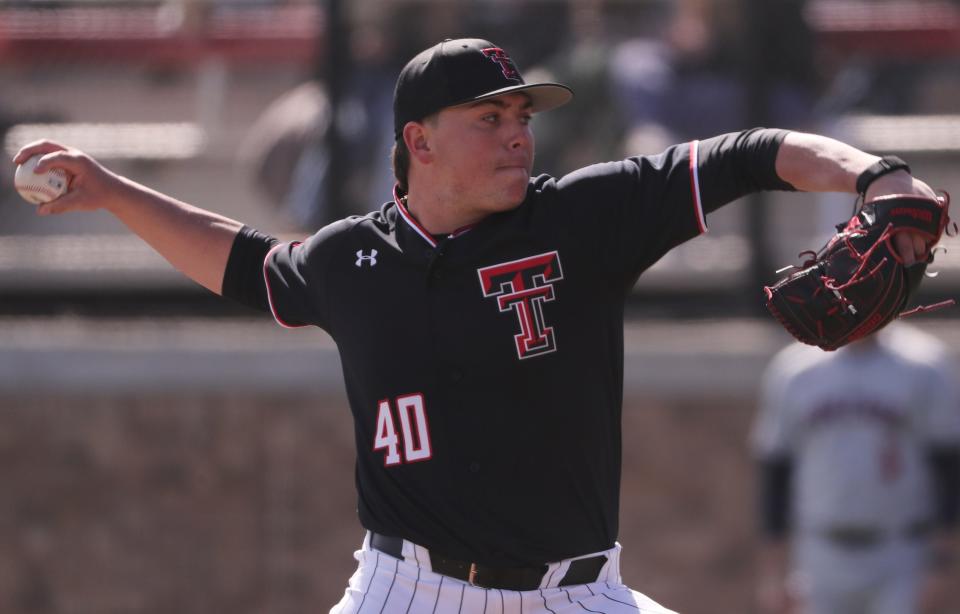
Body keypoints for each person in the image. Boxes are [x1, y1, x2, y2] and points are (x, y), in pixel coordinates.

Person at [13, 37, 944, 614]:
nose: (516, 134)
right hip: (405, 592)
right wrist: (105, 189)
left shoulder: (581, 219)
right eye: (487, 116)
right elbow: (240, 259)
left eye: (521, 116)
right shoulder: (351, 261)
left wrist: (875, 174)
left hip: (581, 592)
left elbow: (752, 153)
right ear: (417, 141)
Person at [752, 323, 960, 614]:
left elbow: (948, 469)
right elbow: (776, 472)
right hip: (821, 553)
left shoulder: (924, 365)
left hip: (901, 552)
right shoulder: (795, 369)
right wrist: (774, 571)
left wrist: (943, 562)